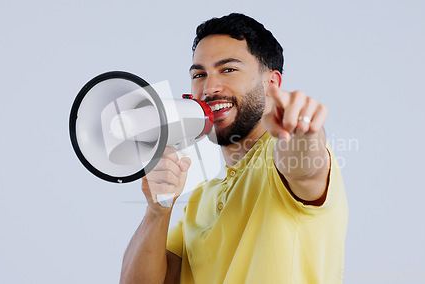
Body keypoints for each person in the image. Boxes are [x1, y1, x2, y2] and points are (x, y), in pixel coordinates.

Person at [120, 13, 348, 284]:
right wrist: (157, 211)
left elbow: (304, 165)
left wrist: (302, 130)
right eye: (199, 74)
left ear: (271, 85)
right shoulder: (198, 201)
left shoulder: (280, 162)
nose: (210, 87)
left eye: (228, 69)